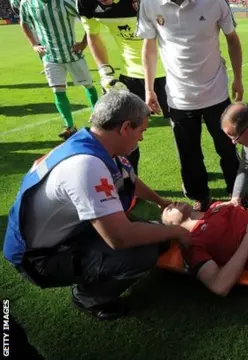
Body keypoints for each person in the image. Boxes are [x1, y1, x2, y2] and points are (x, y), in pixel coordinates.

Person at [3, 91, 190, 321]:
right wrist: (177, 230)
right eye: (141, 131)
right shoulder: (86, 166)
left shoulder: (93, 143)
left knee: (157, 239)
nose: (141, 138)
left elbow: (127, 176)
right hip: (39, 258)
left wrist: (161, 202)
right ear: (124, 128)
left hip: (65, 233)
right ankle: (89, 297)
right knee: (142, 253)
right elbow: (119, 238)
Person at [137, 0, 243, 211]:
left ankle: (237, 191)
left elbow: (232, 39)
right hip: (179, 96)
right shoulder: (149, 3)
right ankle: (200, 196)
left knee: (227, 147)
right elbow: (149, 46)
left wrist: (238, 77)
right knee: (188, 153)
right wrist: (149, 89)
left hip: (216, 91)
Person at [77, 0, 170, 173]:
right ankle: (129, 181)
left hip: (170, 72)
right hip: (130, 75)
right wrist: (105, 71)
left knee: (184, 128)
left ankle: (193, 178)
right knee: (122, 132)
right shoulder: (85, 3)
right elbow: (93, 34)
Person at [161, 202, 248, 295]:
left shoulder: (216, 206)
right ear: (172, 227)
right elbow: (219, 285)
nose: (173, 203)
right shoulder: (192, 244)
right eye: (169, 209)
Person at [19, 0, 99, 140]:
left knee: (88, 85)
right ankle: (69, 126)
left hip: (73, 54)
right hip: (50, 57)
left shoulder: (65, 2)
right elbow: (24, 23)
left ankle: (98, 118)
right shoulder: (27, 3)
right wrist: (34, 44)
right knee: (58, 91)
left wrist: (84, 42)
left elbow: (88, 20)